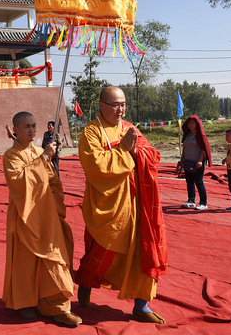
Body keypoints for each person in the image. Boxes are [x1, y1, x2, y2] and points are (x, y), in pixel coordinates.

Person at [75, 86, 167, 324]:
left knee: (142, 249)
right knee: (104, 250)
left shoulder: (129, 128)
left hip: (136, 202)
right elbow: (96, 166)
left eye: (123, 104)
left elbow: (152, 154)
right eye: (115, 104)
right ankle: (86, 281)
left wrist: (137, 152)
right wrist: (125, 150)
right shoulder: (91, 132)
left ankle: (141, 304)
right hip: (109, 203)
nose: (121, 109)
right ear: (102, 105)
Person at [1, 112, 82, 327]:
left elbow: (53, 181)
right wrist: (44, 158)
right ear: (15, 129)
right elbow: (19, 183)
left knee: (54, 258)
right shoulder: (11, 156)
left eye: (34, 125)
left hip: (46, 215)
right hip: (25, 214)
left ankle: (57, 306)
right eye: (26, 126)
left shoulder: (39, 151)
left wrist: (56, 205)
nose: (32, 130)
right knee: (26, 262)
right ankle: (25, 302)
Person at [179, 115, 212, 211]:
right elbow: (185, 148)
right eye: (189, 123)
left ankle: (203, 203)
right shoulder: (187, 134)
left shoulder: (200, 135)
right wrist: (182, 160)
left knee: (199, 182)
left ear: (197, 124)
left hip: (197, 163)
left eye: (193, 123)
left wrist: (200, 161)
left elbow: (203, 149)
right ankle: (191, 201)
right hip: (187, 162)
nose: (191, 125)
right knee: (189, 182)